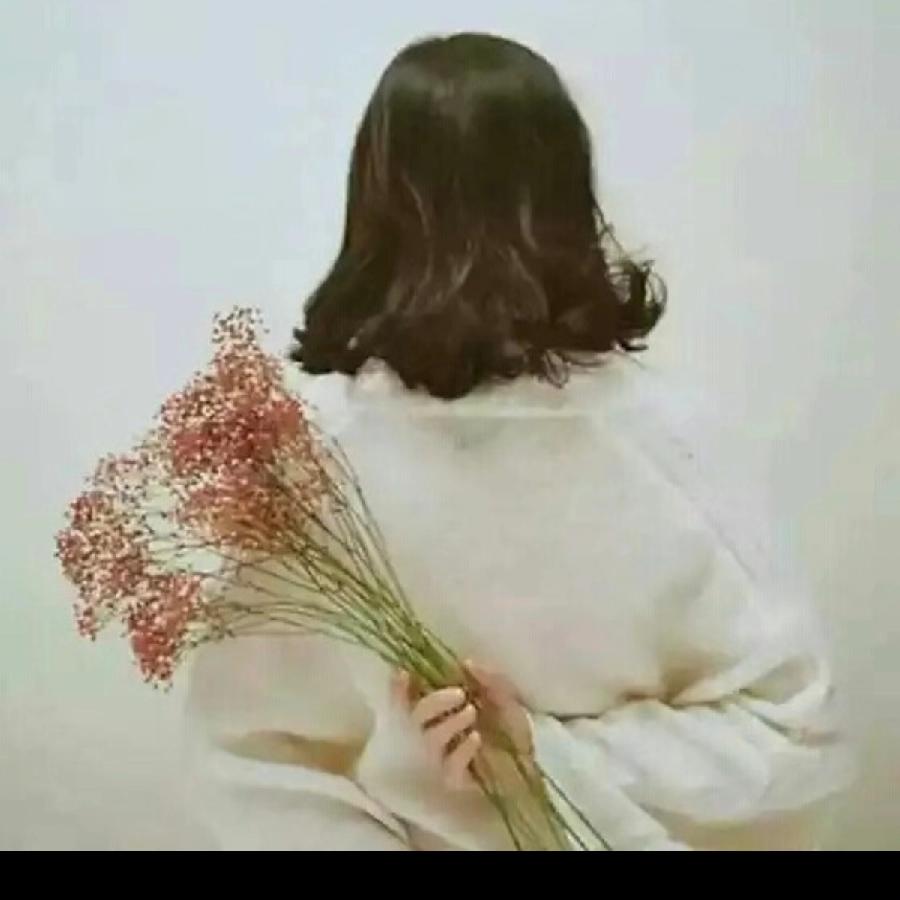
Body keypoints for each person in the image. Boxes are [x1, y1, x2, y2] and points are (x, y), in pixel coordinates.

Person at [183, 32, 853, 850]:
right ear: (567, 193)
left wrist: (540, 761)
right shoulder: (667, 442)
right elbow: (794, 740)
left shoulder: (320, 459)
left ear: (376, 201)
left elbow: (250, 758)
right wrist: (559, 764)